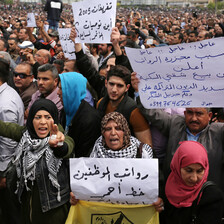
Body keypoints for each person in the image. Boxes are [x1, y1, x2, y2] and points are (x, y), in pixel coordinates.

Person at [0, 98, 74, 224]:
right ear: (31, 121)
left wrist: (58, 145)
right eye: (38, 117)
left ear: (54, 120)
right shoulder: (26, 135)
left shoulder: (61, 137)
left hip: (53, 214)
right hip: (27, 211)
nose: (43, 122)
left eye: (47, 117)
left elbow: (66, 147)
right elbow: (7, 128)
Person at [70, 112, 163, 212]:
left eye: (118, 128)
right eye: (108, 129)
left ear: (125, 131)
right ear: (103, 133)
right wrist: (77, 196)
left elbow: (158, 185)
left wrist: (159, 201)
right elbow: (86, 186)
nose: (113, 133)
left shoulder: (142, 153)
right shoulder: (94, 153)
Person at [161, 141, 223, 224]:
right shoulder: (165, 187)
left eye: (199, 171)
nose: (194, 178)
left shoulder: (212, 196)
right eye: (188, 170)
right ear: (177, 166)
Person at [57, 72, 101, 157]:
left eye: (62, 89)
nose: (58, 93)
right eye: (58, 88)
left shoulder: (90, 119)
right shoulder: (66, 110)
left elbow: (84, 154)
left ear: (73, 90)